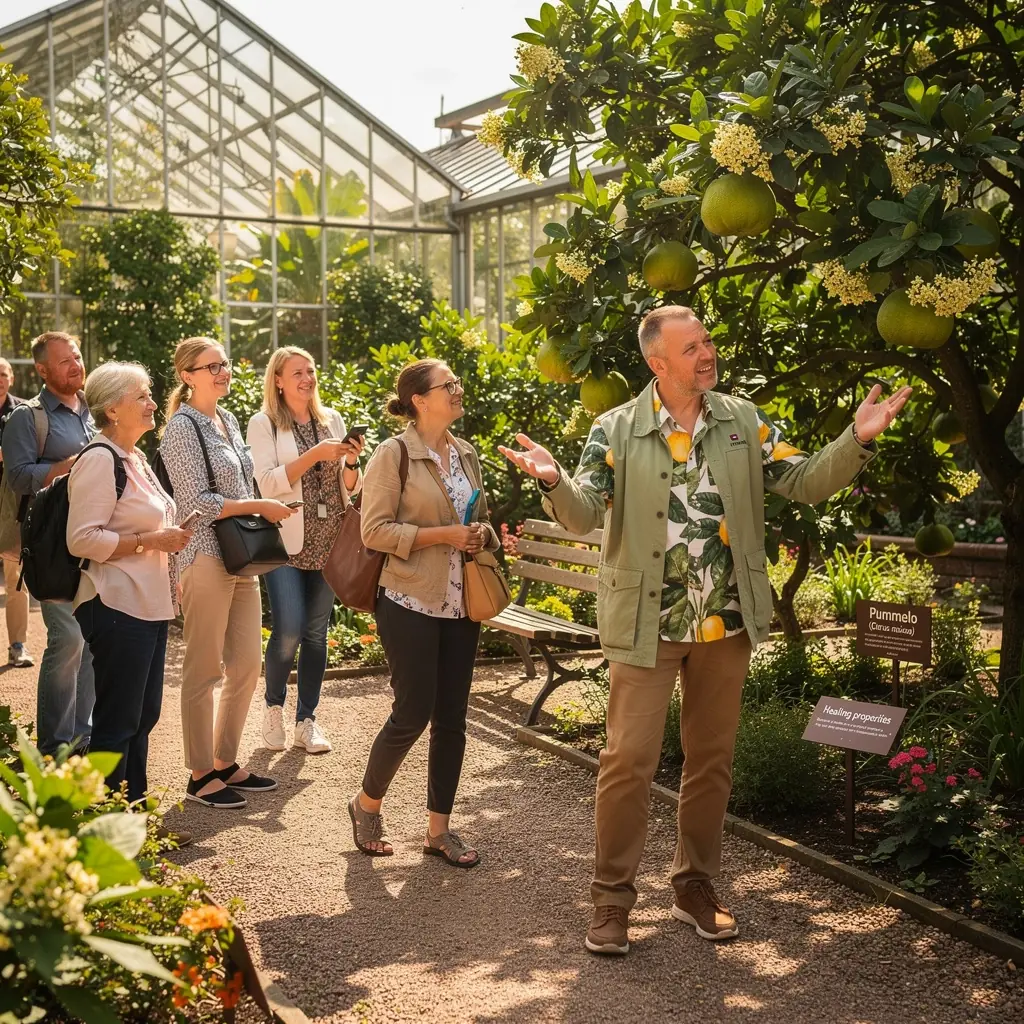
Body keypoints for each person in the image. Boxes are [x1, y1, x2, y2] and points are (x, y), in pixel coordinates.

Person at [499, 306, 911, 954]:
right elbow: (580, 514)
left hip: (727, 621)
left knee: (711, 763)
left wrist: (854, 441)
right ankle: (611, 902)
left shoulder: (742, 421)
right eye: (692, 347)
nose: (707, 353)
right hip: (647, 625)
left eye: (708, 340)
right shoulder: (616, 430)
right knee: (628, 763)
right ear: (657, 362)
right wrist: (553, 480)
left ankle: (695, 885)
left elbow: (800, 481)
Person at [351, 359, 499, 868]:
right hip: (409, 600)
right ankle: (366, 804)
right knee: (412, 712)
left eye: (457, 383)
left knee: (452, 719)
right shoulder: (393, 455)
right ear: (419, 399)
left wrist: (480, 534)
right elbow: (374, 532)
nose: (458, 391)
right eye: (448, 386)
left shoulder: (466, 454)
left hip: (461, 604)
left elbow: (481, 520)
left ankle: (439, 831)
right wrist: (442, 536)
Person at [159, 338, 294, 809]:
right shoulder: (181, 428)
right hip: (205, 554)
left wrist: (265, 504)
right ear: (187, 375)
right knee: (203, 668)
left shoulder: (230, 420)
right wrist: (262, 506)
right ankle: (199, 775)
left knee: (246, 665)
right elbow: (197, 501)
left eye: (225, 363)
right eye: (211, 366)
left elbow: (239, 483)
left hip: (241, 555)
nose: (223, 371)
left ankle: (225, 761)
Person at [67, 362, 192, 806]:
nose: (153, 402)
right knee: (118, 721)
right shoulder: (100, 459)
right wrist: (150, 541)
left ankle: (132, 814)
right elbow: (82, 538)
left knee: (142, 716)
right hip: (116, 604)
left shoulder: (134, 458)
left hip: (148, 604)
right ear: (113, 409)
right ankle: (103, 827)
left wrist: (165, 542)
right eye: (141, 396)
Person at [247, 346, 364, 754]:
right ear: (278, 380)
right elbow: (266, 483)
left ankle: (307, 721)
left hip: (330, 540)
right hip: (285, 542)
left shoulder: (330, 419)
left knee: (317, 634)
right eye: (297, 372)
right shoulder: (263, 423)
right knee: (290, 628)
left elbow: (351, 487)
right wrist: (314, 455)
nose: (306, 378)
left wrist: (350, 463)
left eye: (310, 370)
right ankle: (273, 707)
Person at [1, 333, 95, 754]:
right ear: (42, 370)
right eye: (64, 361)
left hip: (95, 539)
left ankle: (82, 737)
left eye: (76, 356)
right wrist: (70, 467)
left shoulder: (93, 411)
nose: (75, 364)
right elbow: (19, 475)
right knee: (69, 637)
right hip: (50, 544)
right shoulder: (28, 417)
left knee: (91, 637)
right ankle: (54, 746)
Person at [0, 357, 32, 668]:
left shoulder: (23, 412)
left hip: (10, 507)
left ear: (11, 378)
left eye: (3, 373)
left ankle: (17, 645)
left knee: (16, 580)